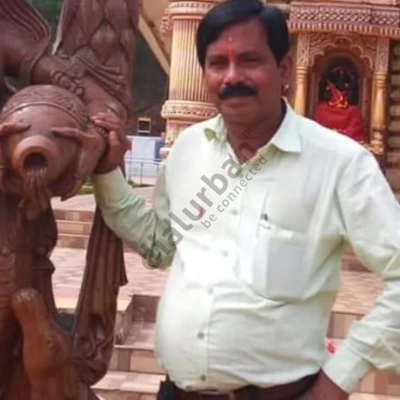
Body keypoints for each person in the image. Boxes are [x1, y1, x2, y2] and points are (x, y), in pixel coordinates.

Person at [91, 1, 400, 399]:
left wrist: (339, 378)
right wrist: (107, 172)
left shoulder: (339, 164)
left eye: (250, 60)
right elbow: (161, 244)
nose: (232, 76)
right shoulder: (188, 149)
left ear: (284, 69)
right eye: (218, 63)